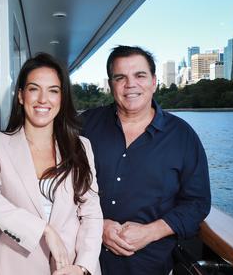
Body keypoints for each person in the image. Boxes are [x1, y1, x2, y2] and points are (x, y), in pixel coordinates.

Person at [80, 46, 211, 275]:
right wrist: (98, 226)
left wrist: (151, 232)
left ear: (154, 82)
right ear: (111, 85)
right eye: (120, 77)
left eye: (140, 76)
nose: (130, 84)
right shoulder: (85, 126)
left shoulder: (182, 136)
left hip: (150, 266)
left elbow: (197, 202)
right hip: (85, 261)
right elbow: (59, 186)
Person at [0, 53, 102, 275]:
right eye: (34, 89)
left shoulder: (81, 146)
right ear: (21, 96)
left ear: (62, 98)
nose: (43, 99)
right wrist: (43, 229)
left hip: (72, 267)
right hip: (20, 267)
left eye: (53, 90)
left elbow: (91, 213)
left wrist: (83, 267)